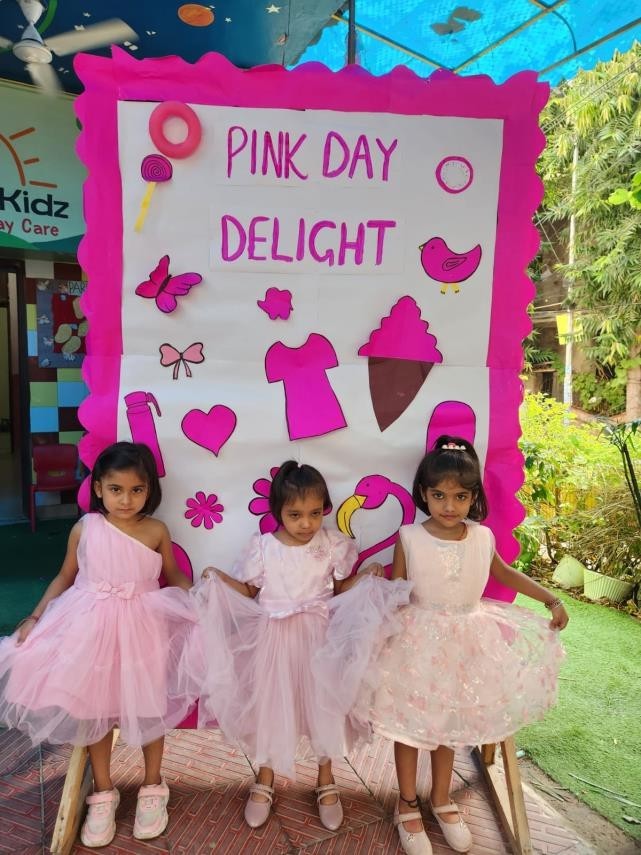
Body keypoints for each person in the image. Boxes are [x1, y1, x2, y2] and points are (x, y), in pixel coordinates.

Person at [354, 436, 568, 855]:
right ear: (423, 493)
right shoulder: (409, 536)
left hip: (468, 644)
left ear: (473, 497)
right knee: (409, 727)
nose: (449, 506)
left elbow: (505, 574)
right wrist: (374, 594)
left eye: (459, 496)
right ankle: (406, 803)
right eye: (439, 495)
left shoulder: (482, 537)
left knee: (450, 725)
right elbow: (398, 590)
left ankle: (441, 798)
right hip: (416, 646)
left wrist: (551, 599)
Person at [0, 442, 200, 848]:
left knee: (149, 706)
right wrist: (36, 617)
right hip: (89, 625)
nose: (126, 500)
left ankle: (152, 786)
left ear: (149, 490)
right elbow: (65, 576)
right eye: (115, 489)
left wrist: (199, 600)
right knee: (95, 708)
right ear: (98, 489)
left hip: (143, 626)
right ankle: (104, 792)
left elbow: (174, 576)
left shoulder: (156, 530)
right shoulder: (85, 528)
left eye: (136, 490)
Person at [193, 460, 410, 831]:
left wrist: (365, 576)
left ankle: (326, 780)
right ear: (277, 511)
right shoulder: (263, 547)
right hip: (273, 643)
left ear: (324, 509)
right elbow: (249, 590)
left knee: (323, 707)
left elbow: (340, 589)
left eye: (314, 513)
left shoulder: (332, 544)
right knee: (271, 708)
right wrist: (220, 578)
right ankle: (265, 778)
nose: (306, 523)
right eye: (295, 515)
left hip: (320, 640)